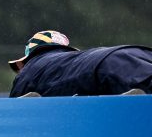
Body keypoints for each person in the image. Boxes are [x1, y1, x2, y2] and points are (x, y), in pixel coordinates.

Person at [8, 30, 152, 97]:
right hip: (136, 53)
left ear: (23, 62)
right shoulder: (71, 61)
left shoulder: (28, 74)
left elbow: (13, 118)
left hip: (109, 67)